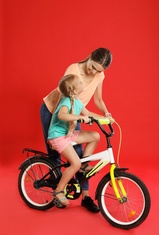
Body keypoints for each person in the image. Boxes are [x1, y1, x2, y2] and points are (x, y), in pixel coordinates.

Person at [40, 47, 114, 212]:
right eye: (93, 67)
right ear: (90, 57)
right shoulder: (73, 70)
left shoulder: (98, 75)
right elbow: (62, 106)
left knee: (81, 157)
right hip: (56, 112)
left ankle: (85, 196)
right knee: (55, 156)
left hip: (75, 112)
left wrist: (106, 115)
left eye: (98, 70)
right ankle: (58, 192)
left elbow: (98, 100)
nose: (93, 72)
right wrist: (59, 132)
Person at [48, 74, 102, 206]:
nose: (82, 83)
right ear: (74, 89)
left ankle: (84, 165)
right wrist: (79, 118)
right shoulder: (66, 101)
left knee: (95, 136)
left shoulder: (77, 102)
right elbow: (62, 115)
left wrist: (104, 119)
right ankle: (59, 191)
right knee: (75, 164)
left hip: (67, 134)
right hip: (57, 136)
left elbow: (88, 113)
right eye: (79, 82)